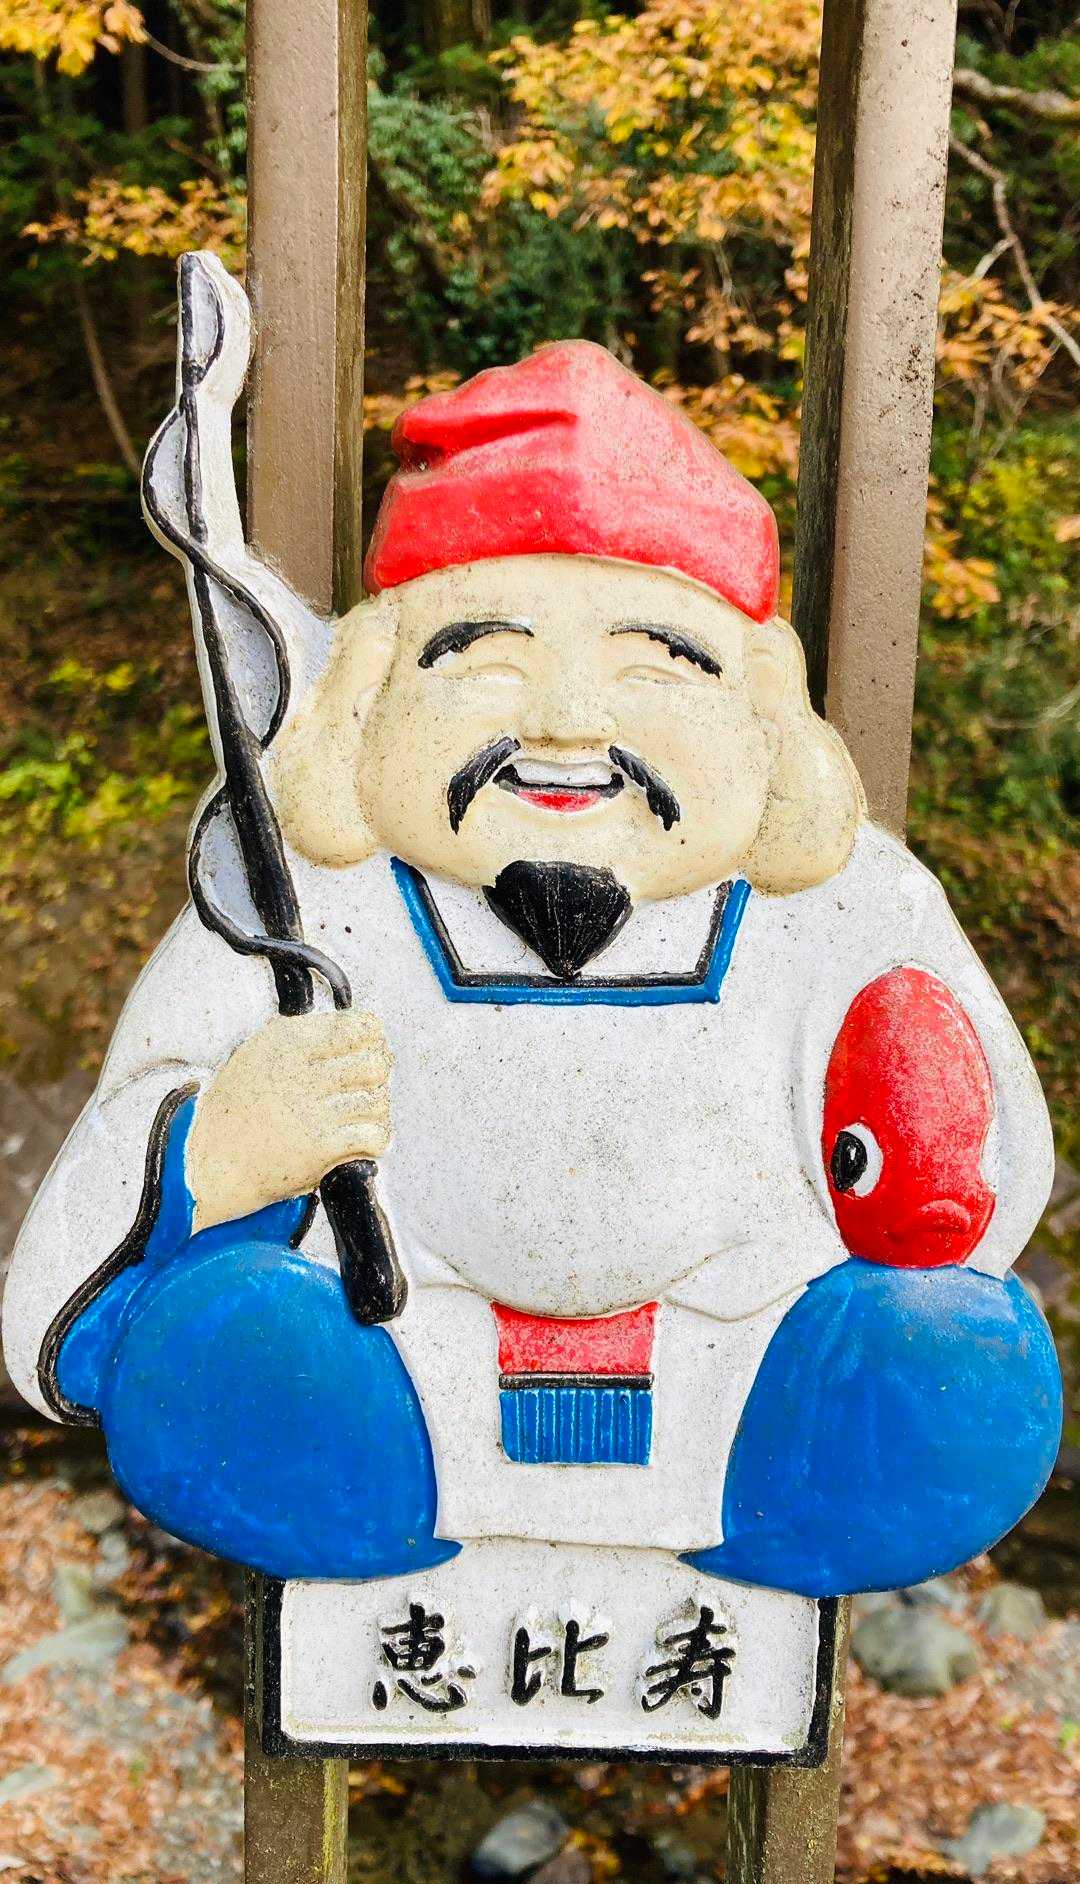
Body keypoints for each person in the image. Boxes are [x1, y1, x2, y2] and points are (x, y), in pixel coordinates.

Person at [2, 325, 1061, 1597]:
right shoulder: (302, 906)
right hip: (396, 1385)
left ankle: (762, 1507)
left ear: (760, 704)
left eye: (655, 662)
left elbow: (983, 1193)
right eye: (486, 658)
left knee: (950, 1360)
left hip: (742, 1388)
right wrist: (214, 1148)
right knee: (220, 1343)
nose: (567, 721)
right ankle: (385, 1492)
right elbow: (57, 1320)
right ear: (373, 691)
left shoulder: (848, 902)